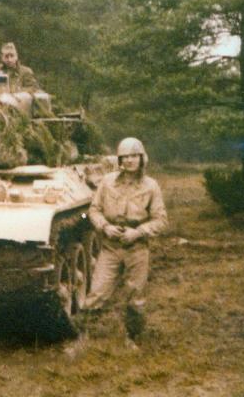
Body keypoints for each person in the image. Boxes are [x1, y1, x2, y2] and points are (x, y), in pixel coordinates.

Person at [85, 137, 168, 348]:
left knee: (135, 298)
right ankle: (84, 338)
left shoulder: (151, 186)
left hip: (137, 248)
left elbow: (161, 220)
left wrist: (138, 232)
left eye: (134, 156)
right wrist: (105, 226)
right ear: (119, 160)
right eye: (125, 157)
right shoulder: (107, 182)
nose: (129, 160)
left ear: (142, 158)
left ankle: (133, 339)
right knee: (97, 293)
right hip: (110, 247)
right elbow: (94, 210)